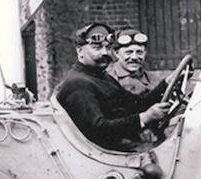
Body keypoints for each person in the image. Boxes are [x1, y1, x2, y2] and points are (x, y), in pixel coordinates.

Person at [55, 22, 173, 151]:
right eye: (97, 47)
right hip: (104, 151)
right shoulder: (78, 83)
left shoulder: (100, 76)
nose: (105, 52)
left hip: (116, 144)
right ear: (80, 51)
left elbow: (134, 104)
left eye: (107, 47)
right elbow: (98, 128)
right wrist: (145, 117)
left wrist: (166, 84)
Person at [106, 28, 158, 95]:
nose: (134, 57)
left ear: (145, 53)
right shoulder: (107, 78)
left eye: (139, 52)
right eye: (129, 52)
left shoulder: (153, 79)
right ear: (116, 53)